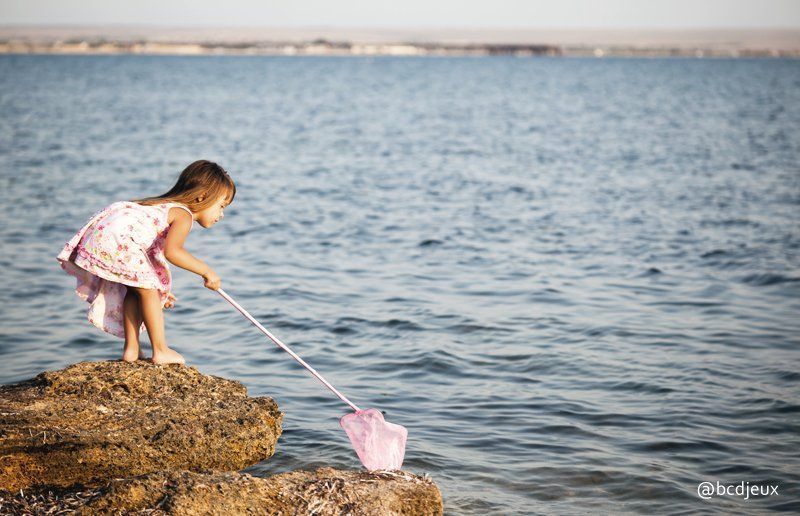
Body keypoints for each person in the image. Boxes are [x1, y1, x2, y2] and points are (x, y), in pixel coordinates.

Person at [57, 160, 235, 365]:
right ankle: (160, 350)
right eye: (221, 206)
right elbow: (173, 252)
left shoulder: (160, 205)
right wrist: (206, 271)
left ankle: (132, 350)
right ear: (202, 197)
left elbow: (152, 259)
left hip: (105, 234)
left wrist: (160, 290)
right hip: (120, 239)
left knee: (138, 290)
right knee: (148, 289)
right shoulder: (183, 214)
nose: (221, 215)